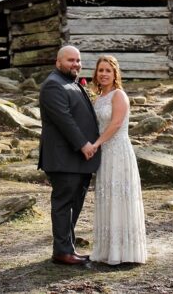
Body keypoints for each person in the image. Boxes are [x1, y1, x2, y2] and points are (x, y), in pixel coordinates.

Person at [38, 45, 100, 265]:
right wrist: (83, 144)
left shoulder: (71, 83)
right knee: (64, 205)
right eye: (70, 60)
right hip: (63, 158)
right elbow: (65, 120)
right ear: (58, 62)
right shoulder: (53, 85)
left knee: (75, 204)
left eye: (78, 60)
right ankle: (63, 252)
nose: (76, 64)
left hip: (78, 160)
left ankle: (67, 248)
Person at [89, 55, 147, 265]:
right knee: (108, 197)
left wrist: (95, 144)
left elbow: (115, 124)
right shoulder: (98, 98)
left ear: (115, 74)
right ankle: (107, 249)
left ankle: (125, 251)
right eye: (100, 70)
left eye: (108, 71)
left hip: (119, 151)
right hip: (106, 154)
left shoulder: (118, 95)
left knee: (121, 196)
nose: (103, 74)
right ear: (95, 74)